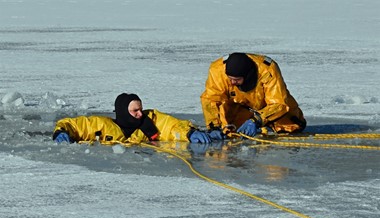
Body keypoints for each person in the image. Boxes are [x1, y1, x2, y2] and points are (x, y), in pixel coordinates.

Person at [200, 52, 306, 137]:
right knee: (230, 129)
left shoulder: (267, 70)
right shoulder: (217, 70)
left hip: (270, 110)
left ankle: (269, 125)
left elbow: (279, 103)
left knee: (291, 126)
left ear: (247, 75)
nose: (232, 83)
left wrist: (257, 120)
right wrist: (214, 126)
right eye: (230, 79)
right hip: (240, 107)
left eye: (236, 79)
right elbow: (211, 100)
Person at [53, 93, 222, 144]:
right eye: (135, 111)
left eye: (140, 109)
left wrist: (189, 133)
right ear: (123, 112)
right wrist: (62, 132)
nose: (140, 114)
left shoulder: (150, 122)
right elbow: (72, 124)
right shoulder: (102, 125)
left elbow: (171, 126)